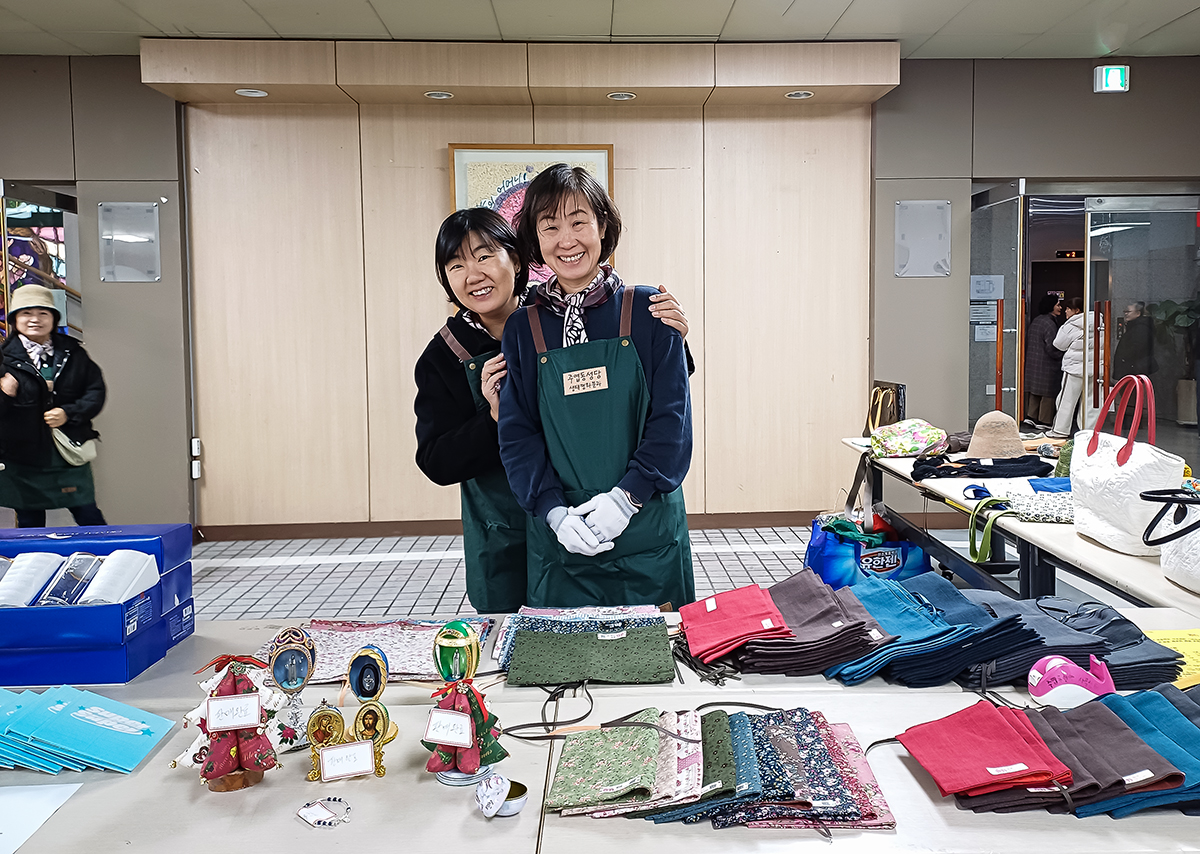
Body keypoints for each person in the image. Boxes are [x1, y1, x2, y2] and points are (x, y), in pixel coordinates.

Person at [414, 207, 689, 614]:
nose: (473, 275)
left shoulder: (562, 314)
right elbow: (436, 461)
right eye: (456, 266)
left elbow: (649, 393)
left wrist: (673, 338)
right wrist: (494, 420)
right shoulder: (442, 358)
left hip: (594, 508)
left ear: (517, 260)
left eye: (485, 256)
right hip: (506, 530)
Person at [499, 164, 694, 609]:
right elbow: (517, 433)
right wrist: (552, 512)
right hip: (561, 544)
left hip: (648, 535)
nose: (566, 240)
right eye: (550, 227)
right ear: (535, 239)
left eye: (578, 222)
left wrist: (627, 498)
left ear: (602, 226)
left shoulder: (650, 310)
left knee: (658, 651)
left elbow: (673, 420)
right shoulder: (523, 328)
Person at [0, 284, 107, 528]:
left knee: (88, 514)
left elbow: (95, 391)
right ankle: (35, 556)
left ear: (53, 318)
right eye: (26, 313)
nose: (35, 319)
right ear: (15, 319)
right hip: (22, 456)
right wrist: (5, 393)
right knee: (30, 522)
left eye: (43, 313)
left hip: (68, 452)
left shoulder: (74, 353)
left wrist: (69, 413)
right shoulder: (3, 357)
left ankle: (109, 552)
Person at [1022, 294, 1064, 432]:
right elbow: (1052, 347)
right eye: (1058, 305)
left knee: (1035, 391)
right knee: (1047, 393)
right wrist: (1062, 355)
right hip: (1046, 364)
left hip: (1033, 362)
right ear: (1051, 306)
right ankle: (1044, 420)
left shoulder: (1037, 320)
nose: (1060, 308)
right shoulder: (1049, 323)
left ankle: (1031, 416)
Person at [1050, 297, 1088, 438]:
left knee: (1066, 400)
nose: (1065, 311)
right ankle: (1088, 432)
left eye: (1068, 308)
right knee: (1090, 402)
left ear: (1076, 310)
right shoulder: (1099, 321)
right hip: (1094, 369)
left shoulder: (1072, 324)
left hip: (1074, 368)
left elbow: (1058, 344)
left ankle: (1060, 430)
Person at [1113, 301, 1158, 380]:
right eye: (1125, 311)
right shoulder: (1134, 327)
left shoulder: (1141, 329)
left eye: (1128, 311)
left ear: (1138, 313)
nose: (1125, 314)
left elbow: (1136, 350)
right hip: (1133, 370)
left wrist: (1125, 362)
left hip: (1135, 371)